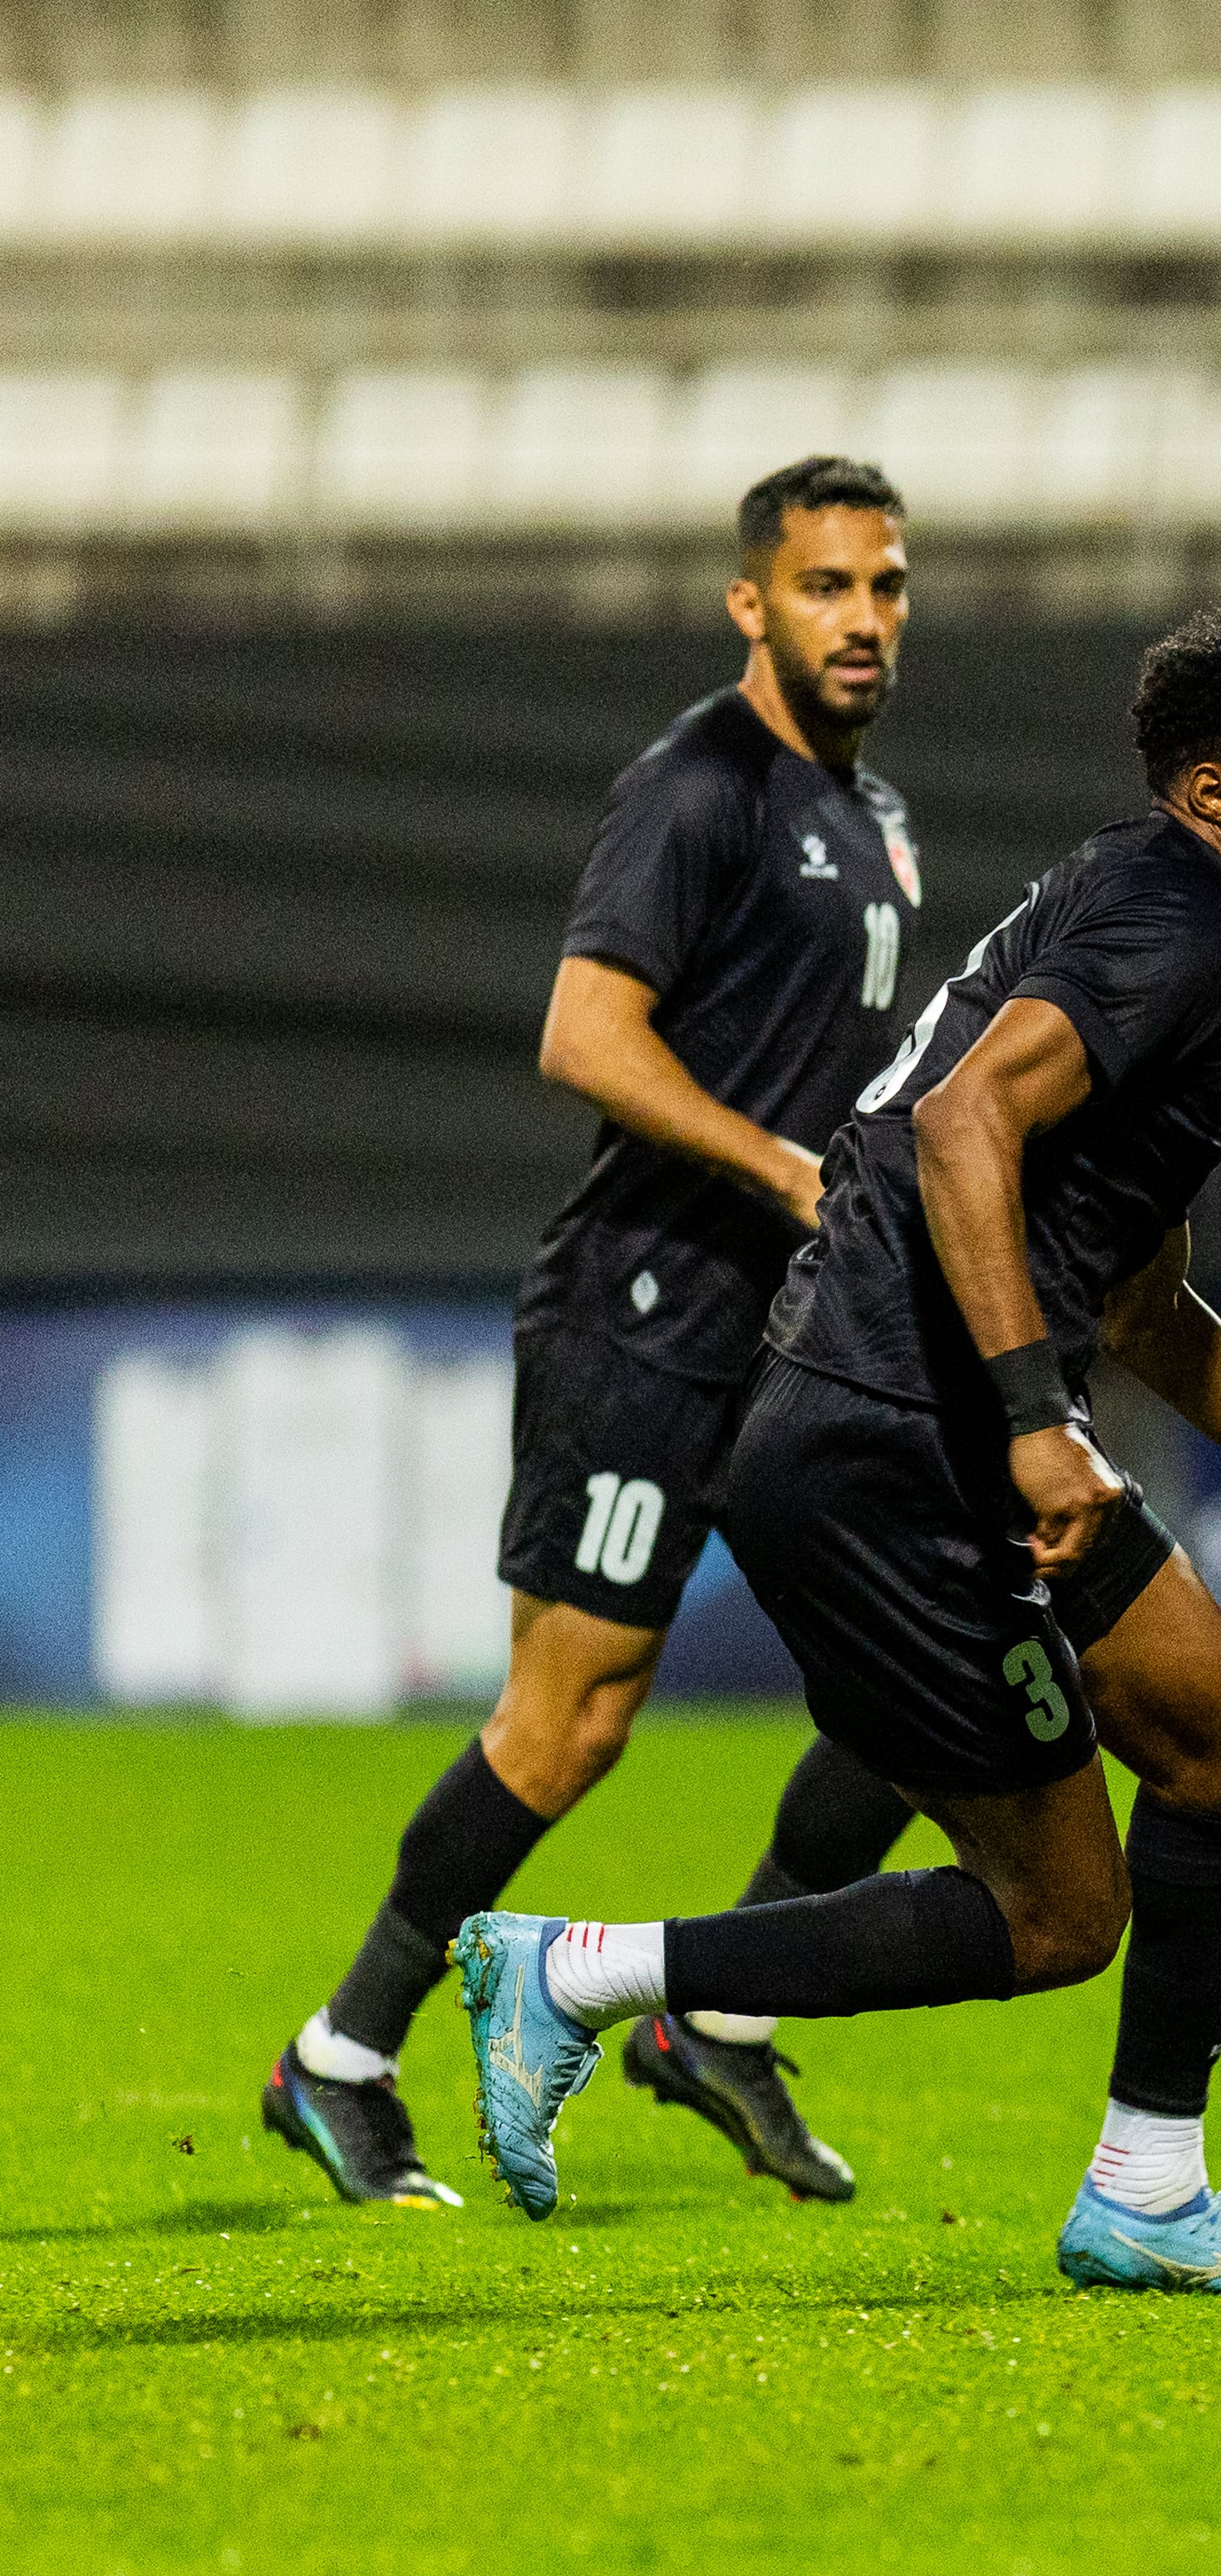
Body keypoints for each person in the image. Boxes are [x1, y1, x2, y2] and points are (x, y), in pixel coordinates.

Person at [447, 605, 1221, 2298]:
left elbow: (1149, 1311)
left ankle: (1151, 2188)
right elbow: (965, 1123)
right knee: (1058, 1913)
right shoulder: (1180, 922)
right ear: (1216, 793)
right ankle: (582, 1974)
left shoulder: (1166, 924)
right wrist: (1038, 1425)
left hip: (916, 1429)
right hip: (892, 1443)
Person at [263, 456, 942, 2211]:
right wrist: (777, 1164)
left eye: (884, 584)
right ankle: (340, 2055)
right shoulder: (698, 787)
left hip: (801, 1325)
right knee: (567, 1725)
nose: (863, 617)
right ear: (750, 603)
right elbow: (584, 1032)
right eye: (826, 586)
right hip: (648, 1312)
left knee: (936, 1659)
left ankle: (717, 2011)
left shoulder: (875, 814)